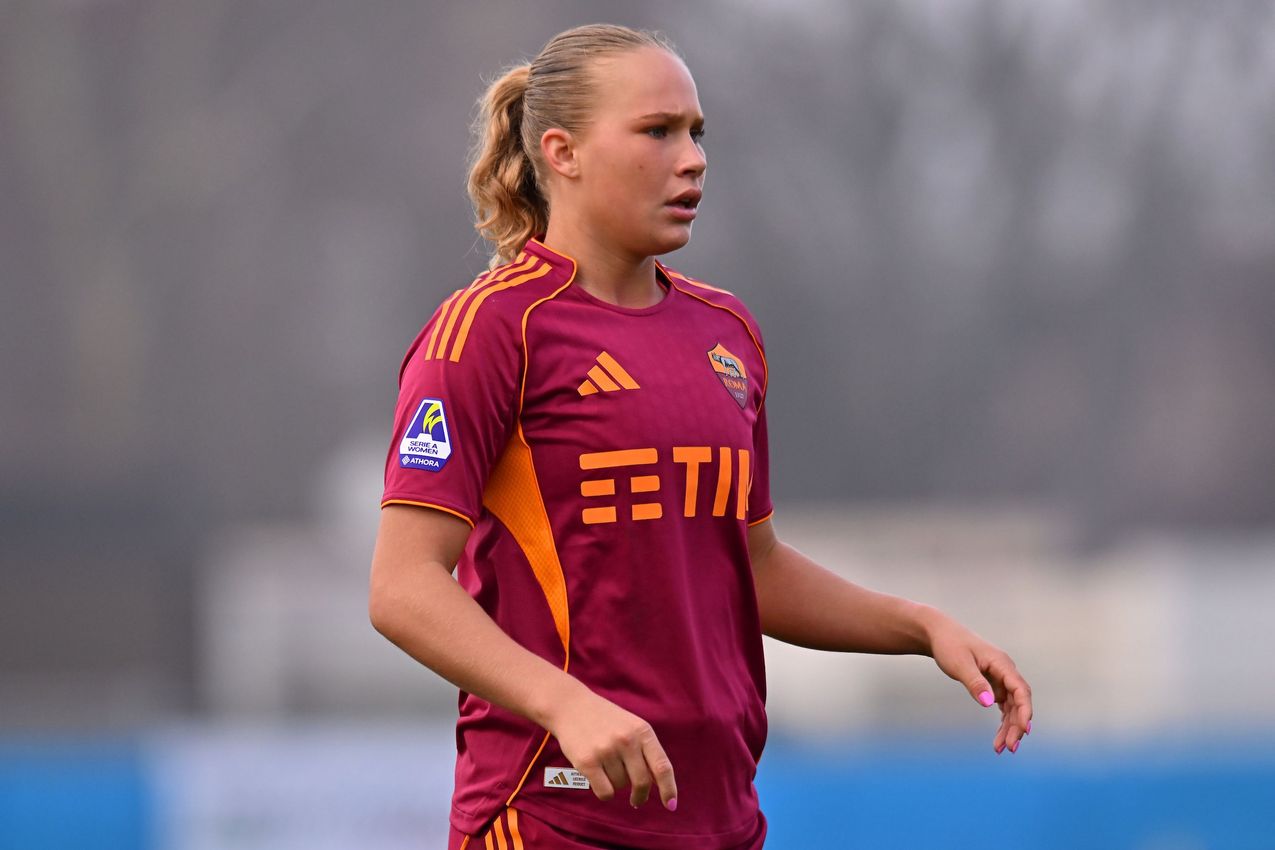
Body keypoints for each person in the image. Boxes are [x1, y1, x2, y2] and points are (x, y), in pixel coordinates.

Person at [368, 23, 1033, 850]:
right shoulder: (490, 330)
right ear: (562, 152)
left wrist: (921, 626)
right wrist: (566, 704)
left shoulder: (726, 332)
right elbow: (402, 587)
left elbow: (752, 567)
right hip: (553, 812)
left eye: (695, 132)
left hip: (719, 818)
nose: (691, 159)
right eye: (656, 131)